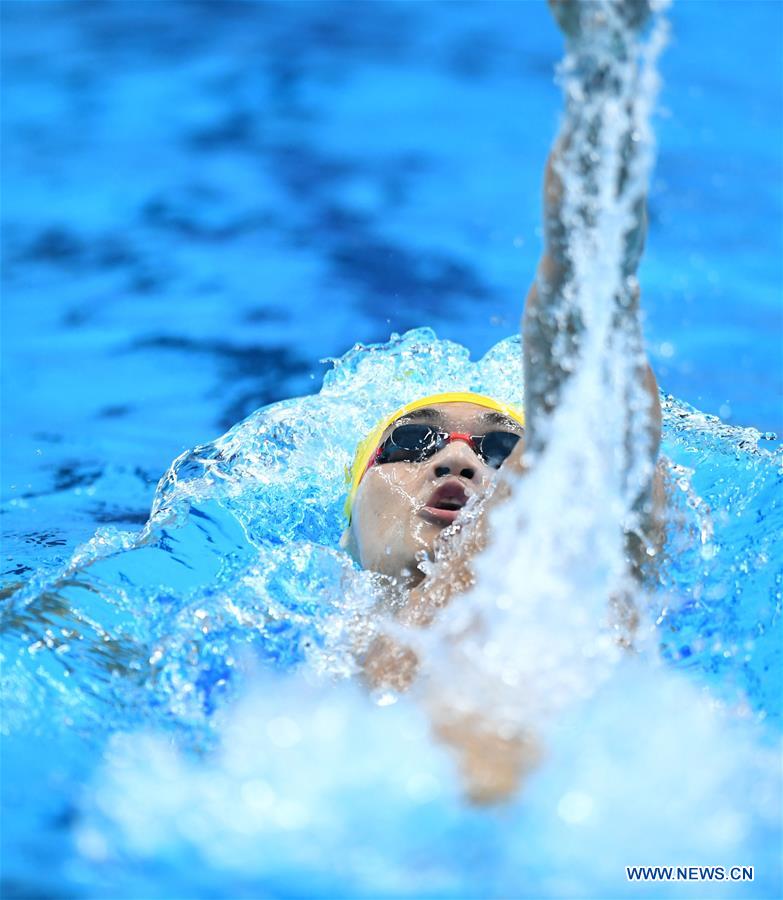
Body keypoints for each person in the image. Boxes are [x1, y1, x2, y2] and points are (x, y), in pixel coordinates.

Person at [340, 0, 667, 803]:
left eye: (497, 449)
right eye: (413, 442)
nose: (456, 459)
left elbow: (591, 333)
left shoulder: (572, 569)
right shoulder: (290, 673)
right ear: (347, 521)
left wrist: (602, 78)